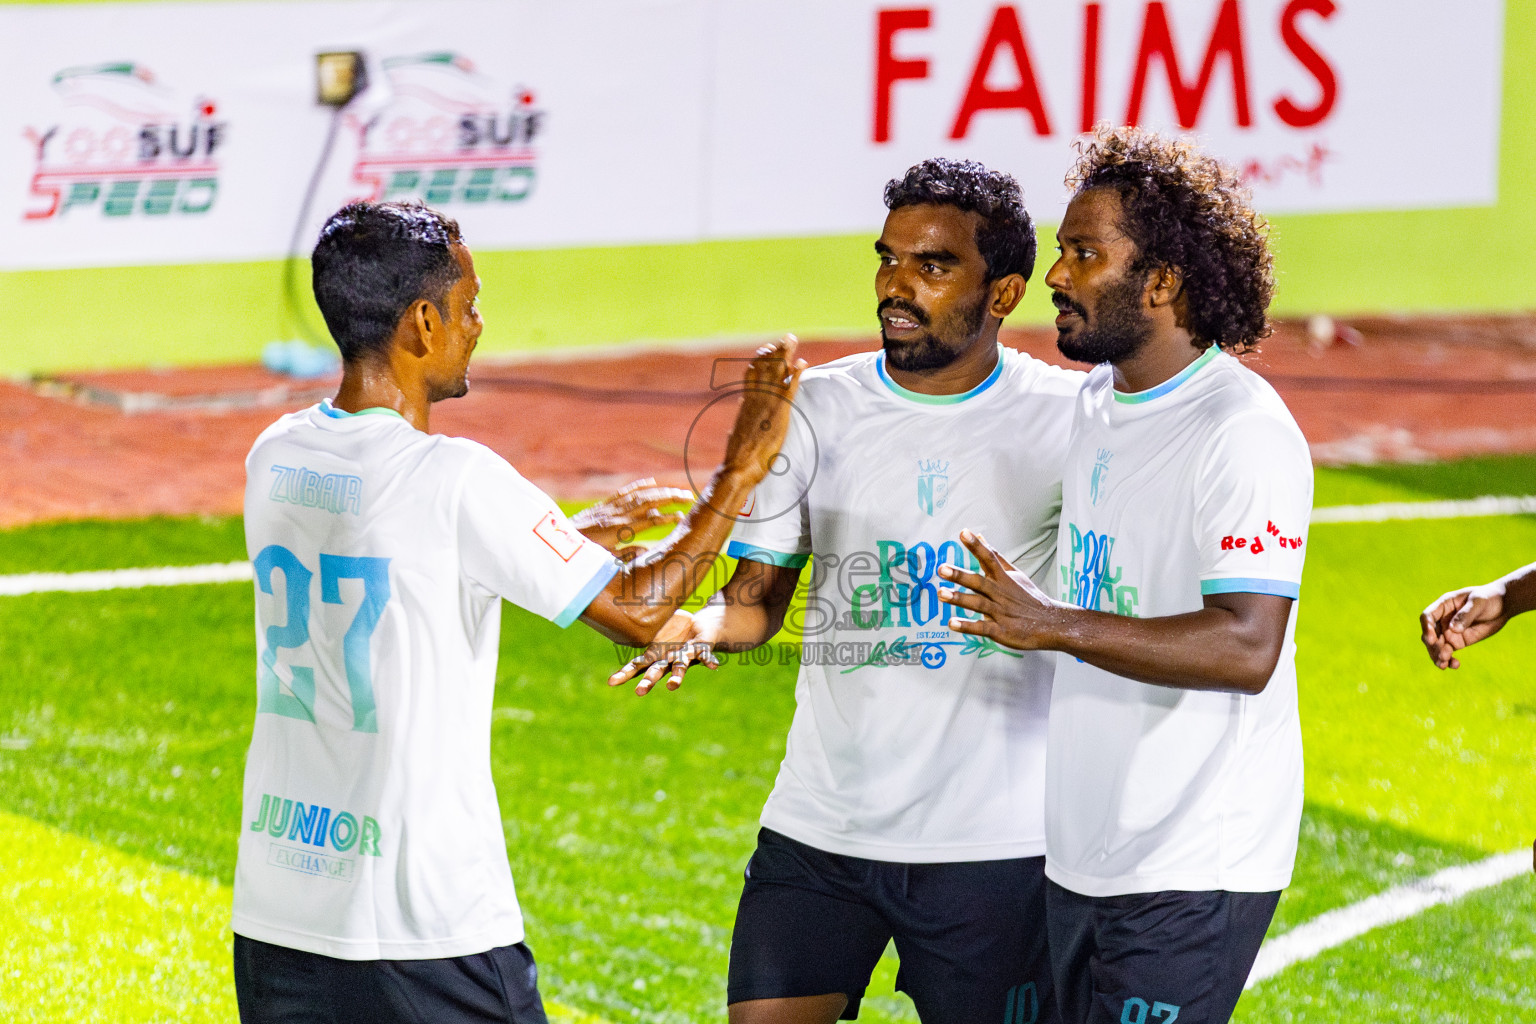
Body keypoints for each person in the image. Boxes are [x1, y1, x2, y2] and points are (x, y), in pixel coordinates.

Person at [231, 200, 804, 1024]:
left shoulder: (276, 454)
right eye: (468, 305)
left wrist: (552, 543)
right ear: (422, 323)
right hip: (419, 929)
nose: (479, 322)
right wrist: (737, 475)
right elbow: (640, 613)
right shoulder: (456, 477)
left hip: (279, 914)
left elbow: (392, 555)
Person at [611, 159, 1084, 1024]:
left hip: (995, 846)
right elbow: (757, 603)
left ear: (1006, 292)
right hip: (821, 827)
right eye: (888, 258)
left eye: (933, 266)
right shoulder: (818, 406)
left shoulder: (1070, 419)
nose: (896, 286)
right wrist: (700, 625)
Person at [936, 126, 1311, 1024]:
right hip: (1081, 853)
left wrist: (1050, 622)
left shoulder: (1240, 432)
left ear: (1164, 282)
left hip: (1192, 861)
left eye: (1083, 253)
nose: (1057, 275)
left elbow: (1247, 644)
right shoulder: (1099, 401)